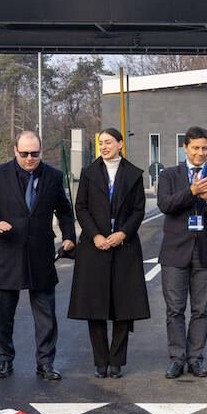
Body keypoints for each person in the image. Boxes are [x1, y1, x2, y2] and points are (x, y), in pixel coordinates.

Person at [0, 130, 75, 380]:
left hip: (41, 254)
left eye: (35, 154)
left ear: (41, 152)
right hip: (7, 252)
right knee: (4, 314)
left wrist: (69, 236)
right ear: (15, 151)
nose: (30, 158)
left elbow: (64, 210)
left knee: (46, 315)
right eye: (24, 154)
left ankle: (45, 364)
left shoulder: (53, 176)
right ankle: (4, 361)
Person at [67, 128, 150, 378]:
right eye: (100, 143)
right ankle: (100, 362)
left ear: (120, 144)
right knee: (96, 308)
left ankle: (117, 362)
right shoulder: (89, 173)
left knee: (124, 308)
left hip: (124, 248)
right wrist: (96, 235)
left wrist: (123, 233)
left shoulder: (133, 174)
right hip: (95, 249)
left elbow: (138, 210)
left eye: (108, 142)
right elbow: (80, 207)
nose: (104, 147)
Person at [157, 126, 207, 379]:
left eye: (204, 148)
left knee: (201, 310)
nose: (200, 153)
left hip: (206, 253)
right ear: (185, 148)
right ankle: (177, 359)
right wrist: (191, 192)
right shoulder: (169, 175)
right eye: (195, 148)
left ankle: (196, 358)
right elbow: (165, 205)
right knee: (175, 309)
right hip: (175, 253)